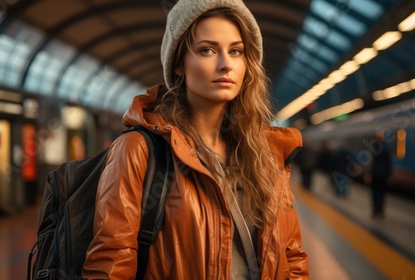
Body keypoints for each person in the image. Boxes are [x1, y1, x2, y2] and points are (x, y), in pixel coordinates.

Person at [82, 0, 309, 279]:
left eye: (236, 51)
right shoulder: (140, 149)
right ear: (179, 64)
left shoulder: (266, 153)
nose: (226, 64)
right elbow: (110, 264)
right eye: (207, 50)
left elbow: (292, 256)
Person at [367, 129, 392, 219]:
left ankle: (376, 210)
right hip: (382, 174)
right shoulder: (386, 148)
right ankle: (380, 210)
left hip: (375, 174)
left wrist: (368, 174)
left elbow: (371, 162)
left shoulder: (373, 147)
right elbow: (388, 162)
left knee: (375, 193)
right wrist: (389, 174)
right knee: (381, 193)